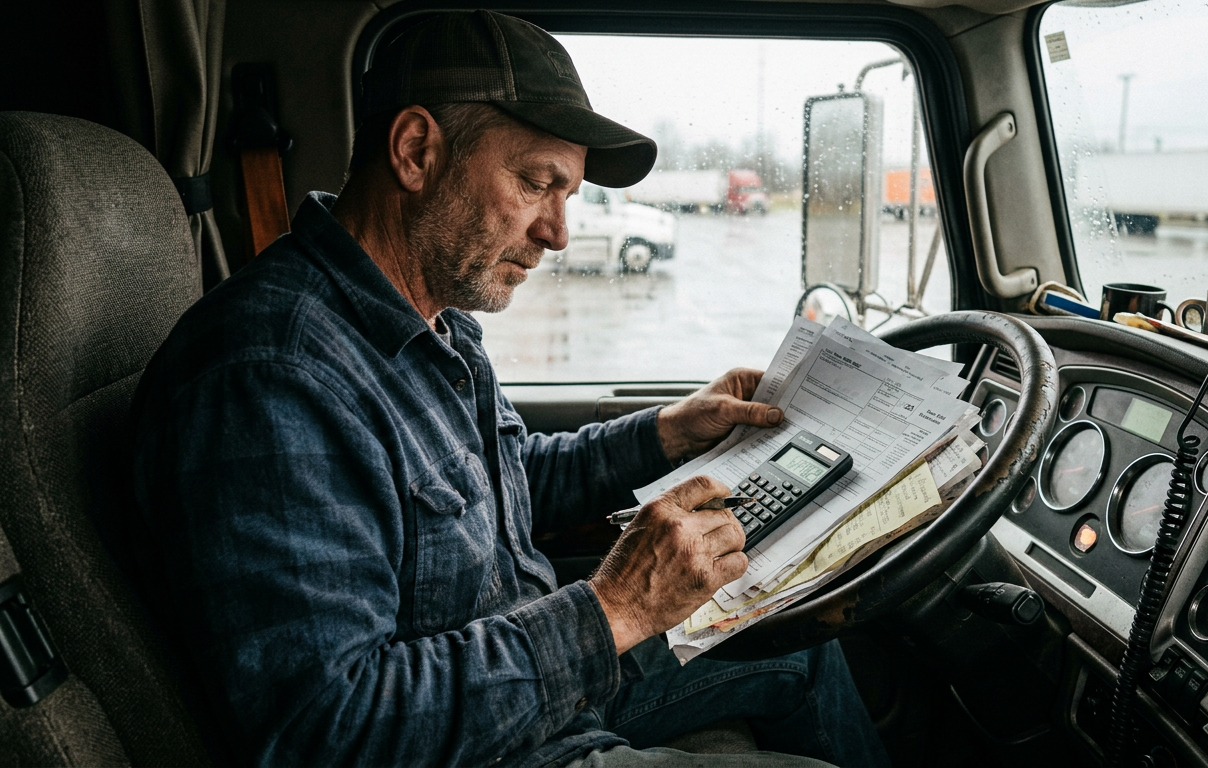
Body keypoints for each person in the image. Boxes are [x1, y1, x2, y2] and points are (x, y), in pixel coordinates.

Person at [129, 10, 889, 767]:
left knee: (802, 647)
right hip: (486, 743)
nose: (557, 233)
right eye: (536, 183)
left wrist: (667, 430)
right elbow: (327, 731)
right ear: (417, 151)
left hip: (534, 674)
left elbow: (503, 480)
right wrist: (614, 609)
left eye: (569, 196)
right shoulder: (273, 379)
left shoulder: (433, 325)